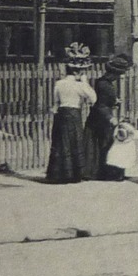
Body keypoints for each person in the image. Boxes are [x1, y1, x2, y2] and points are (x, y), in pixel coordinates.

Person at [45, 42, 95, 184]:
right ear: (77, 71)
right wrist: (85, 82)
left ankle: (58, 174)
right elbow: (93, 98)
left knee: (61, 143)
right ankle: (73, 174)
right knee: (74, 142)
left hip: (61, 114)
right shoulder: (79, 85)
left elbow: (55, 103)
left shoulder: (59, 84)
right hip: (74, 114)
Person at [85, 52, 133, 181]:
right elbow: (100, 104)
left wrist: (114, 101)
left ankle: (107, 172)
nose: (119, 77)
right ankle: (106, 173)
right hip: (101, 118)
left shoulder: (103, 83)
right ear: (114, 73)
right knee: (105, 144)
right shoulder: (104, 84)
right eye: (118, 74)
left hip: (101, 116)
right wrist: (110, 117)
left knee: (105, 143)